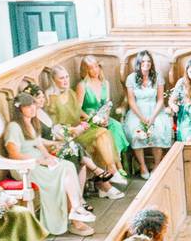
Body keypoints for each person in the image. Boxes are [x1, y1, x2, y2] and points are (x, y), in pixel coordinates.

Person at [4, 92, 94, 236]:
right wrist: (39, 161)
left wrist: (49, 158)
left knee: (67, 165)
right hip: (26, 167)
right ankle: (76, 214)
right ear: (19, 109)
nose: (32, 108)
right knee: (63, 171)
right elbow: (13, 154)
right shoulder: (14, 127)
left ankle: (75, 210)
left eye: (33, 104)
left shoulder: (31, 123)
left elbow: (39, 145)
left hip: (40, 161)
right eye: (28, 106)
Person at [22, 82, 114, 203]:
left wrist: (71, 131)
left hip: (54, 145)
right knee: (76, 151)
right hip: (44, 152)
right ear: (31, 100)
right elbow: (37, 141)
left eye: (43, 97)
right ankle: (96, 174)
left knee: (78, 153)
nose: (43, 100)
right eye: (39, 98)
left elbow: (54, 129)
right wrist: (54, 144)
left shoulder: (42, 113)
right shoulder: (31, 118)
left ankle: (80, 198)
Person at [45, 65, 125, 200]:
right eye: (61, 78)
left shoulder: (70, 92)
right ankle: (104, 184)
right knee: (98, 137)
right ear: (54, 80)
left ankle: (112, 171)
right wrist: (73, 130)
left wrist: (93, 119)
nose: (65, 80)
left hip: (79, 129)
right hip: (65, 136)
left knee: (103, 132)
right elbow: (54, 127)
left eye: (67, 77)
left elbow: (79, 112)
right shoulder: (50, 98)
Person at [123, 50, 174, 178]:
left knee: (159, 129)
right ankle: (142, 165)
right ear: (139, 63)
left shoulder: (157, 76)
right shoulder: (131, 78)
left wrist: (152, 117)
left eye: (149, 61)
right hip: (138, 110)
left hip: (155, 109)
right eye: (143, 61)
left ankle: (157, 164)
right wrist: (141, 117)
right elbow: (131, 100)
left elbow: (161, 100)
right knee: (135, 130)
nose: (146, 63)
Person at [76, 55, 129, 177]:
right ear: (85, 70)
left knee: (115, 126)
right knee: (105, 132)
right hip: (88, 119)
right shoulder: (82, 85)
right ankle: (115, 168)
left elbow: (107, 105)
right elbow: (78, 110)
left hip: (103, 116)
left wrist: (105, 117)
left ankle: (117, 164)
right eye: (91, 68)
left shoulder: (105, 83)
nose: (95, 70)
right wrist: (93, 119)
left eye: (96, 67)